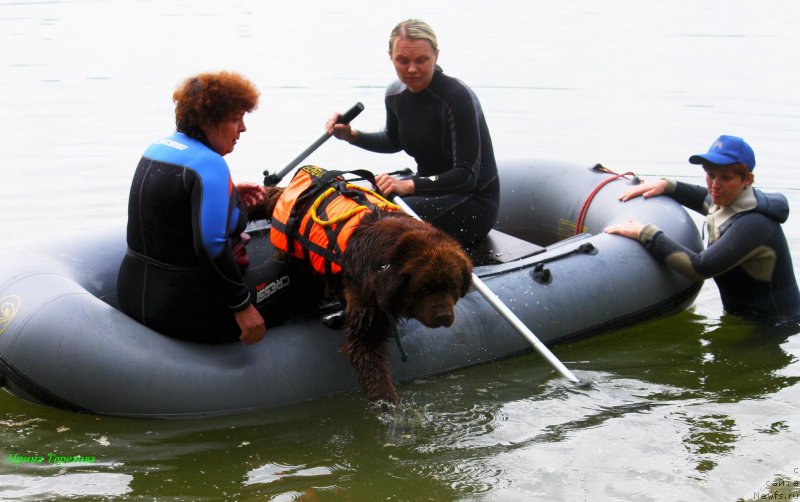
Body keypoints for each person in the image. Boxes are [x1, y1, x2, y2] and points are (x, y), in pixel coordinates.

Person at [117, 71, 289, 344]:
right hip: (183, 312)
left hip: (131, 293)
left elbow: (172, 213)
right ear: (209, 121)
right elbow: (211, 245)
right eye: (236, 119)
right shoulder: (211, 165)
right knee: (297, 274)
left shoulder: (156, 148)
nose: (243, 128)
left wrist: (230, 197)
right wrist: (242, 307)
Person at [325, 19, 499, 245]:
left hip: (472, 201)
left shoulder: (457, 98)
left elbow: (466, 175)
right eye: (403, 60)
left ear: (436, 55)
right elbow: (393, 139)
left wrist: (409, 185)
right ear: (390, 56)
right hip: (426, 191)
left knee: (379, 222)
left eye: (421, 60)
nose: (412, 69)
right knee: (354, 203)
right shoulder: (395, 94)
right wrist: (351, 135)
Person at [605, 135, 800, 324]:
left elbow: (699, 267)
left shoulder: (754, 224)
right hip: (744, 320)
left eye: (725, 177)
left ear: (747, 180)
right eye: (710, 174)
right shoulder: (726, 202)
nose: (715, 185)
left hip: (775, 326)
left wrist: (646, 233)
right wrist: (666, 185)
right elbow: (701, 198)